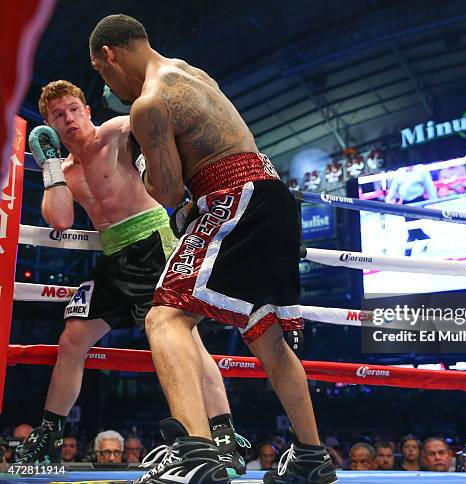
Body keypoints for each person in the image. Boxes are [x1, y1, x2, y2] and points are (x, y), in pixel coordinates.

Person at [89, 14, 336, 484]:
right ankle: (310, 457)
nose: (106, 83)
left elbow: (165, 190)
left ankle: (195, 454)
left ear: (108, 55)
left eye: (100, 72)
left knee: (165, 316)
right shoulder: (190, 71)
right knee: (264, 330)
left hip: (234, 196)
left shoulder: (149, 104)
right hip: (270, 195)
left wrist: (140, 161)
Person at [14, 80, 246, 477]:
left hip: (155, 242)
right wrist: (51, 166)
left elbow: (163, 118)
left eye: (72, 109)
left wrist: (140, 94)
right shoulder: (66, 170)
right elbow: (60, 219)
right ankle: (48, 436)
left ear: (87, 110)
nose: (68, 119)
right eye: (57, 115)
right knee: (73, 340)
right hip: (113, 257)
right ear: (50, 124)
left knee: (185, 340)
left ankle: (222, 434)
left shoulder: (117, 131)